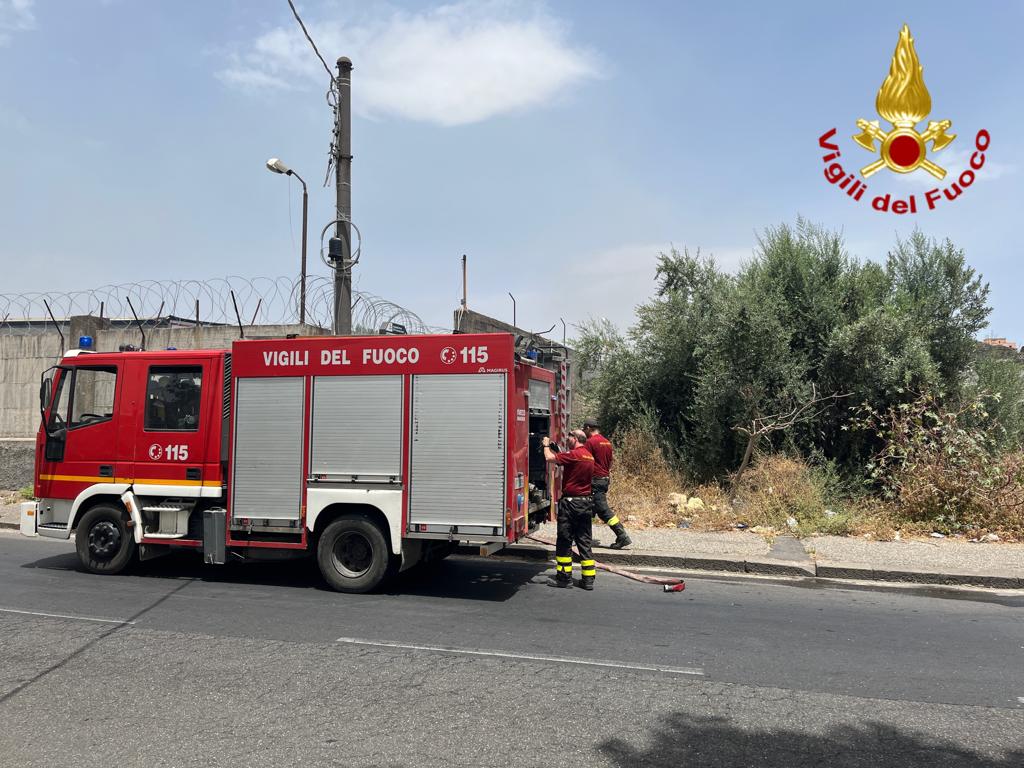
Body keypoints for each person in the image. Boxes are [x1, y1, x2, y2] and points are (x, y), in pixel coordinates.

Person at [542, 429, 597, 591]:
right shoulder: (588, 455)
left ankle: (564, 578)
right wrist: (559, 451)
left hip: (571, 504)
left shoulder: (574, 455)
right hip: (586, 503)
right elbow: (566, 461)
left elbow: (549, 458)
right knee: (584, 541)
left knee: (565, 540)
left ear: (576, 439)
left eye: (570, 436)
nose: (568, 438)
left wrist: (546, 446)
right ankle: (588, 580)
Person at [583, 419, 632, 549]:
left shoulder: (590, 442)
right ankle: (584, 538)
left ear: (588, 428)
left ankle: (622, 535)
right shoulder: (607, 442)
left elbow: (584, 460)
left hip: (595, 480)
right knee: (589, 509)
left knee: (603, 510)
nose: (584, 432)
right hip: (604, 479)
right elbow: (610, 463)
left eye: (585, 430)